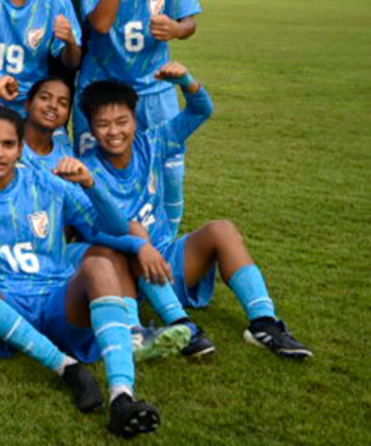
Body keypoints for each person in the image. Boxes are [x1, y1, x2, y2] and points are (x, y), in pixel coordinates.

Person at [0, 107, 190, 439]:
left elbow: (111, 228)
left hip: (56, 300)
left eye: (8, 144)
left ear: (20, 148)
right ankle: (66, 367)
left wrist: (91, 183)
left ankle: (122, 397)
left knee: (100, 264)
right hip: (4, 306)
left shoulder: (49, 183)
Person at [79, 65, 310, 360]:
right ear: (90, 126)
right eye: (103, 124)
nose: (114, 132)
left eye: (121, 121)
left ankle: (264, 324)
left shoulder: (152, 143)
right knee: (132, 230)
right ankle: (182, 326)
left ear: (134, 119)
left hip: (167, 262)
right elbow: (97, 230)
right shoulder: (87, 170)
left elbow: (201, 111)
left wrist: (185, 81)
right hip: (125, 276)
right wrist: (139, 244)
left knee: (221, 229)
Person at [75, 0, 201, 229]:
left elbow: (190, 22)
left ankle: (167, 244)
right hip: (100, 91)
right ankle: (100, 250)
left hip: (154, 89)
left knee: (169, 170)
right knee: (93, 174)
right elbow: (100, 24)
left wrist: (176, 29)